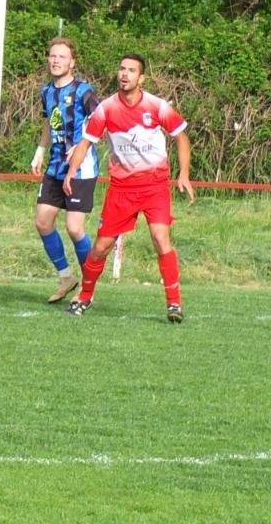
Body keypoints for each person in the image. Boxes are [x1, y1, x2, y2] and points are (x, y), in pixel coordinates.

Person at [63, 54, 194, 322]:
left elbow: (181, 136)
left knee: (160, 238)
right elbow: (86, 142)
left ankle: (174, 304)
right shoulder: (106, 109)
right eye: (122, 69)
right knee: (100, 248)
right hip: (122, 188)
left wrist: (184, 174)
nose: (124, 74)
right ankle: (85, 297)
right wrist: (71, 172)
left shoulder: (157, 106)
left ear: (141, 77)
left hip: (155, 185)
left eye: (131, 70)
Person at [29, 37, 100, 303]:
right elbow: (49, 123)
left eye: (62, 56)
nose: (56, 60)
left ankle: (88, 287)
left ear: (72, 62)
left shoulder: (84, 91)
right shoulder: (46, 91)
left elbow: (100, 121)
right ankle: (66, 277)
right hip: (55, 166)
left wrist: (81, 146)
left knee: (74, 228)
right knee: (43, 221)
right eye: (52, 56)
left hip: (81, 168)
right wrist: (39, 150)